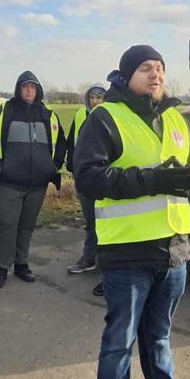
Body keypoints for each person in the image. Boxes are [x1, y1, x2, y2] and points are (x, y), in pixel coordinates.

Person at [74, 45, 190, 379]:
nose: (155, 74)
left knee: (158, 339)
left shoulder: (176, 117)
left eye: (159, 68)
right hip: (126, 253)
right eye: (145, 68)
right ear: (126, 75)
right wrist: (153, 179)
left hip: (173, 249)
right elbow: (88, 176)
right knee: (119, 343)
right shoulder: (106, 118)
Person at [0, 71, 66, 289]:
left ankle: (21, 264)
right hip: (8, 183)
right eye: (25, 87)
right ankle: (1, 267)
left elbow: (61, 144)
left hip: (37, 185)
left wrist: (52, 167)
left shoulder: (48, 114)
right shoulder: (4, 111)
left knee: (26, 226)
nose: (29, 90)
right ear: (18, 89)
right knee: (6, 225)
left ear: (38, 90)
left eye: (33, 87)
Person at [66, 85, 106, 275]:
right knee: (90, 221)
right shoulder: (80, 115)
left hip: (105, 179)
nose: (95, 101)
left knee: (107, 221)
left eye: (99, 97)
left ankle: (106, 263)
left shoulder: (111, 117)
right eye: (92, 98)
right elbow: (71, 143)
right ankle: (89, 258)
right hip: (84, 177)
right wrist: (71, 166)